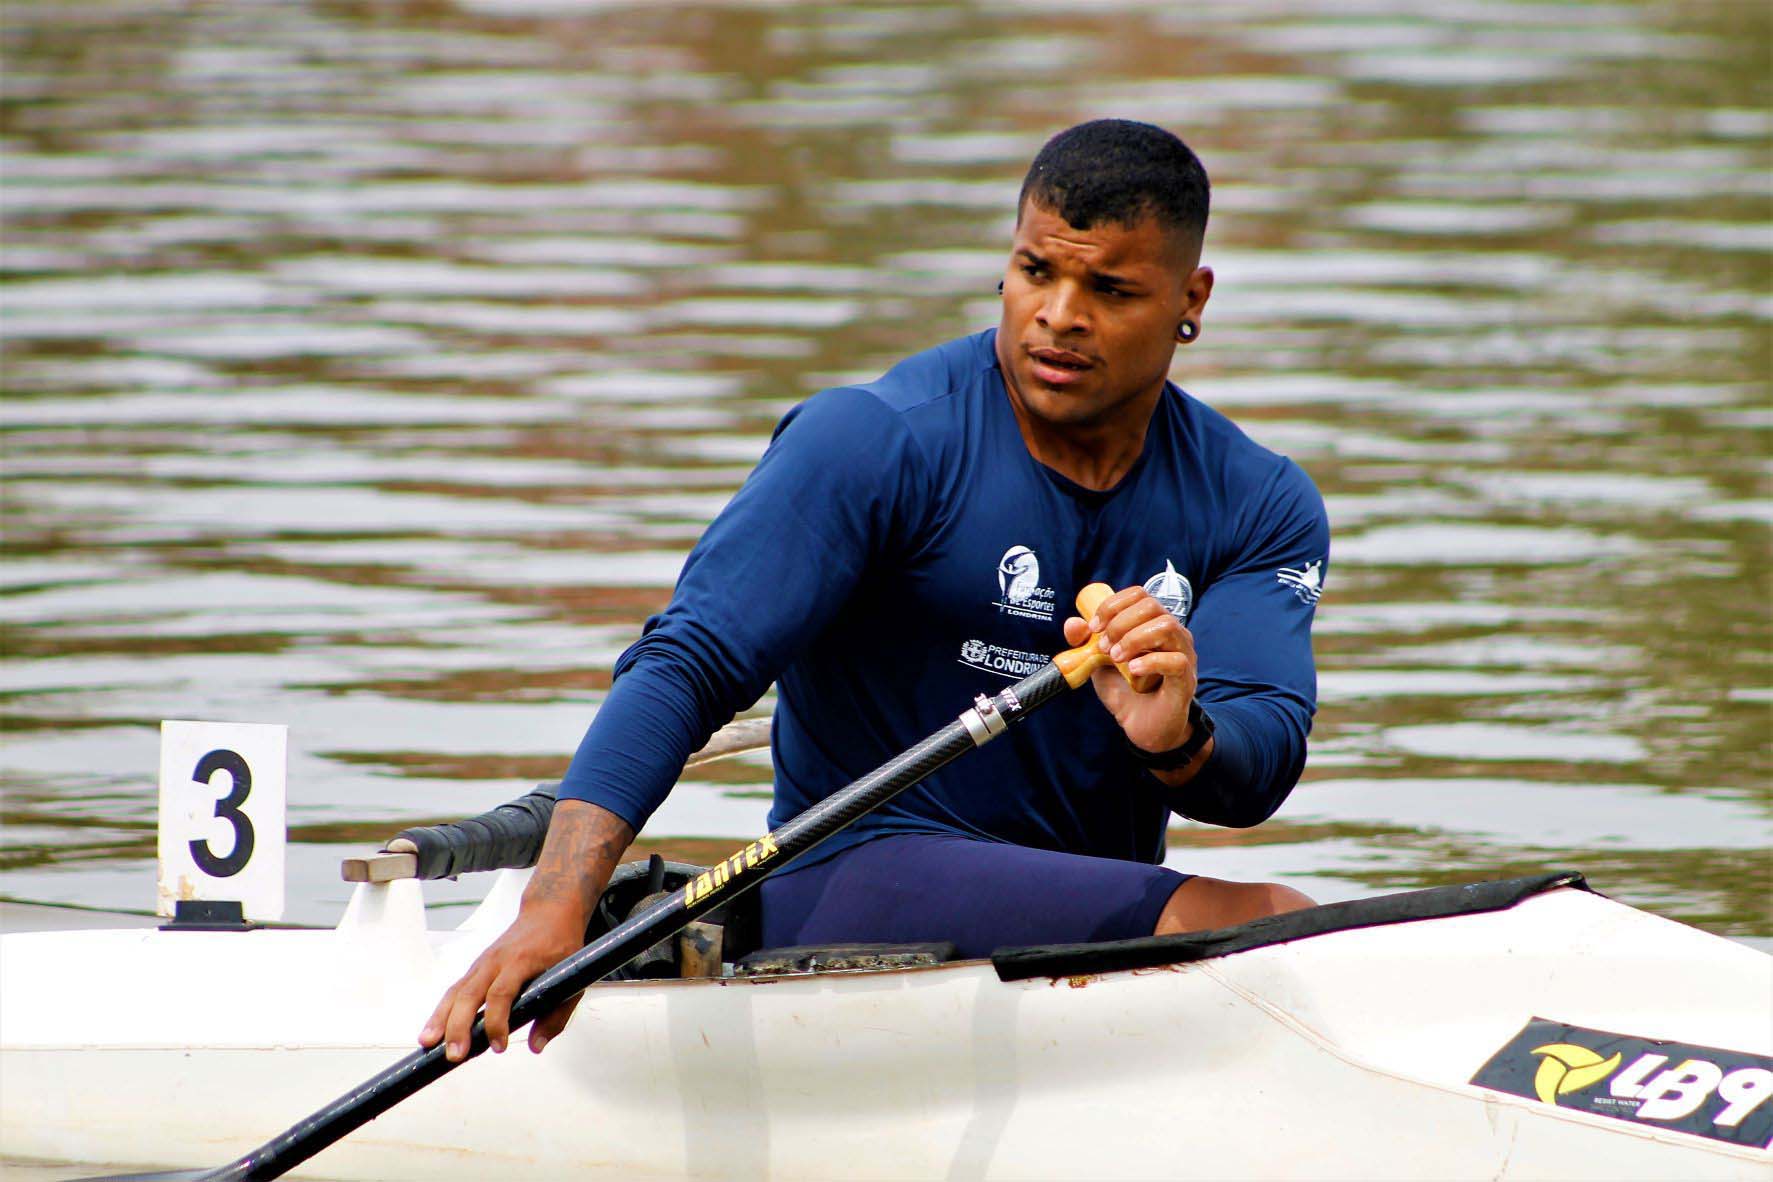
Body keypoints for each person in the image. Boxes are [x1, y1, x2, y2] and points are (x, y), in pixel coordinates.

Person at [421, 119, 1326, 1063]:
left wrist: (1178, 739)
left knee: (1288, 934)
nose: (1058, 315)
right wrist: (552, 908)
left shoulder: (1257, 501)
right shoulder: (872, 441)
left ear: (1191, 298)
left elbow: (1256, 768)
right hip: (850, 872)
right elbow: (685, 666)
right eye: (1034, 272)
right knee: (1275, 921)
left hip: (1084, 918)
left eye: (1109, 289)